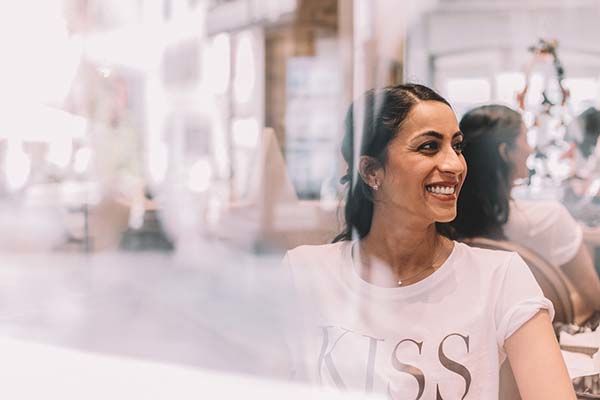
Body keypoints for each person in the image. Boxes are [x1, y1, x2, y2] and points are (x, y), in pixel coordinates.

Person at [283, 84, 575, 399]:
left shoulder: (500, 278)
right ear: (370, 171)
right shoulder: (304, 273)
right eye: (429, 147)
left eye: (458, 146)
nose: (455, 165)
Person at [452, 104, 600, 318]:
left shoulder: (449, 221)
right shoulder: (549, 219)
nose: (530, 149)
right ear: (505, 152)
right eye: (525, 138)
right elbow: (595, 299)